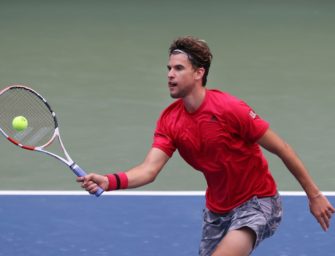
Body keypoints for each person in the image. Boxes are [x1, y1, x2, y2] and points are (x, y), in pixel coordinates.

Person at [77, 36, 334, 256]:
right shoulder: (170, 120)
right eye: (168, 68)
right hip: (217, 210)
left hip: (258, 202)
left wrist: (314, 195)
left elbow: (282, 148)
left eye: (178, 68)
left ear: (199, 73)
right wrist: (110, 181)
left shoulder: (230, 109)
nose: (169, 74)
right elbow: (149, 170)